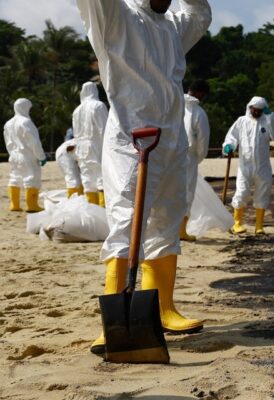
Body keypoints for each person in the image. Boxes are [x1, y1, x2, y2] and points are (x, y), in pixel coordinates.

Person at [76, 0, 212, 355]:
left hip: (170, 140)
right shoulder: (117, 17)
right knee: (126, 220)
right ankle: (114, 321)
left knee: (167, 219)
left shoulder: (169, 26)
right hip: (129, 139)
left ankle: (164, 308)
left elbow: (200, 15)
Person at [223, 97, 274, 235]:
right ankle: (237, 224)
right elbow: (231, 137)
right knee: (242, 192)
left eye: (259, 110)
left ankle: (259, 226)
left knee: (262, 194)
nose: (256, 112)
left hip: (263, 167)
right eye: (254, 110)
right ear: (249, 108)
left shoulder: (267, 122)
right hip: (245, 166)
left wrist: (271, 116)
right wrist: (229, 146)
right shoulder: (241, 121)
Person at [4, 99, 46, 213]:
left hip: (13, 155)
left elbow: (7, 141)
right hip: (27, 156)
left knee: (14, 178)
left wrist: (12, 153)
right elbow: (34, 142)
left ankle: (15, 204)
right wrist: (41, 156)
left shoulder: (8, 123)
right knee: (32, 178)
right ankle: (32, 205)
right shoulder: (26, 122)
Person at [181, 79, 211, 242]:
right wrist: (198, 157)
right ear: (201, 93)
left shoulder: (174, 104)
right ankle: (180, 231)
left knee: (167, 189)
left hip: (169, 154)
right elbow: (203, 140)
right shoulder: (198, 113)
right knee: (186, 192)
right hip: (188, 156)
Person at [72, 81, 108, 207]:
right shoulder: (98, 106)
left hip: (81, 147)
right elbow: (104, 129)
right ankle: (103, 209)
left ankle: (91, 210)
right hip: (96, 145)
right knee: (102, 177)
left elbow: (75, 133)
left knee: (87, 178)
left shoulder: (77, 110)